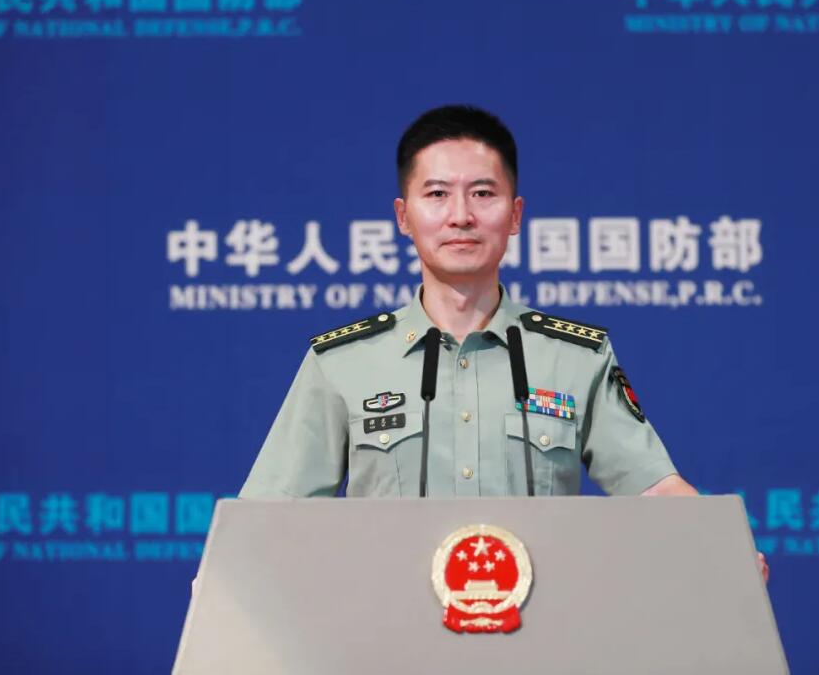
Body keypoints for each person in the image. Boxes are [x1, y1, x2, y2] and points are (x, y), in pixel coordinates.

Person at [238, 104, 768, 580]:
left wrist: (720, 547)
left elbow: (653, 487)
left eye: (483, 193)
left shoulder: (574, 357)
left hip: (542, 632)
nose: (461, 215)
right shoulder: (343, 362)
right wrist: (230, 581)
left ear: (514, 215)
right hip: (386, 634)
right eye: (437, 194)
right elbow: (270, 515)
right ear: (404, 217)